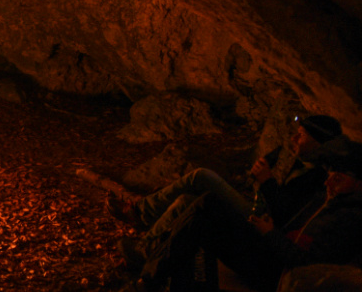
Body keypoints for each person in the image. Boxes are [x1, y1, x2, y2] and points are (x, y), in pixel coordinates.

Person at [130, 140, 362, 292]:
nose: (328, 181)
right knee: (205, 208)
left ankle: (148, 275)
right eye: (331, 175)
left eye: (338, 178)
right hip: (272, 243)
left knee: (207, 207)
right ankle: (150, 271)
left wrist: (270, 233)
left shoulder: (349, 219)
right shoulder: (326, 198)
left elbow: (306, 263)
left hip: (277, 271)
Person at [108, 115, 342, 240]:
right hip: (260, 210)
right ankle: (148, 242)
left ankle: (140, 212)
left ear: (318, 142)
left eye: (300, 136)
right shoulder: (304, 165)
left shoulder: (320, 177)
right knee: (186, 202)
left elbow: (284, 215)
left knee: (202, 176)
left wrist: (267, 180)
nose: (293, 140)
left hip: (264, 227)